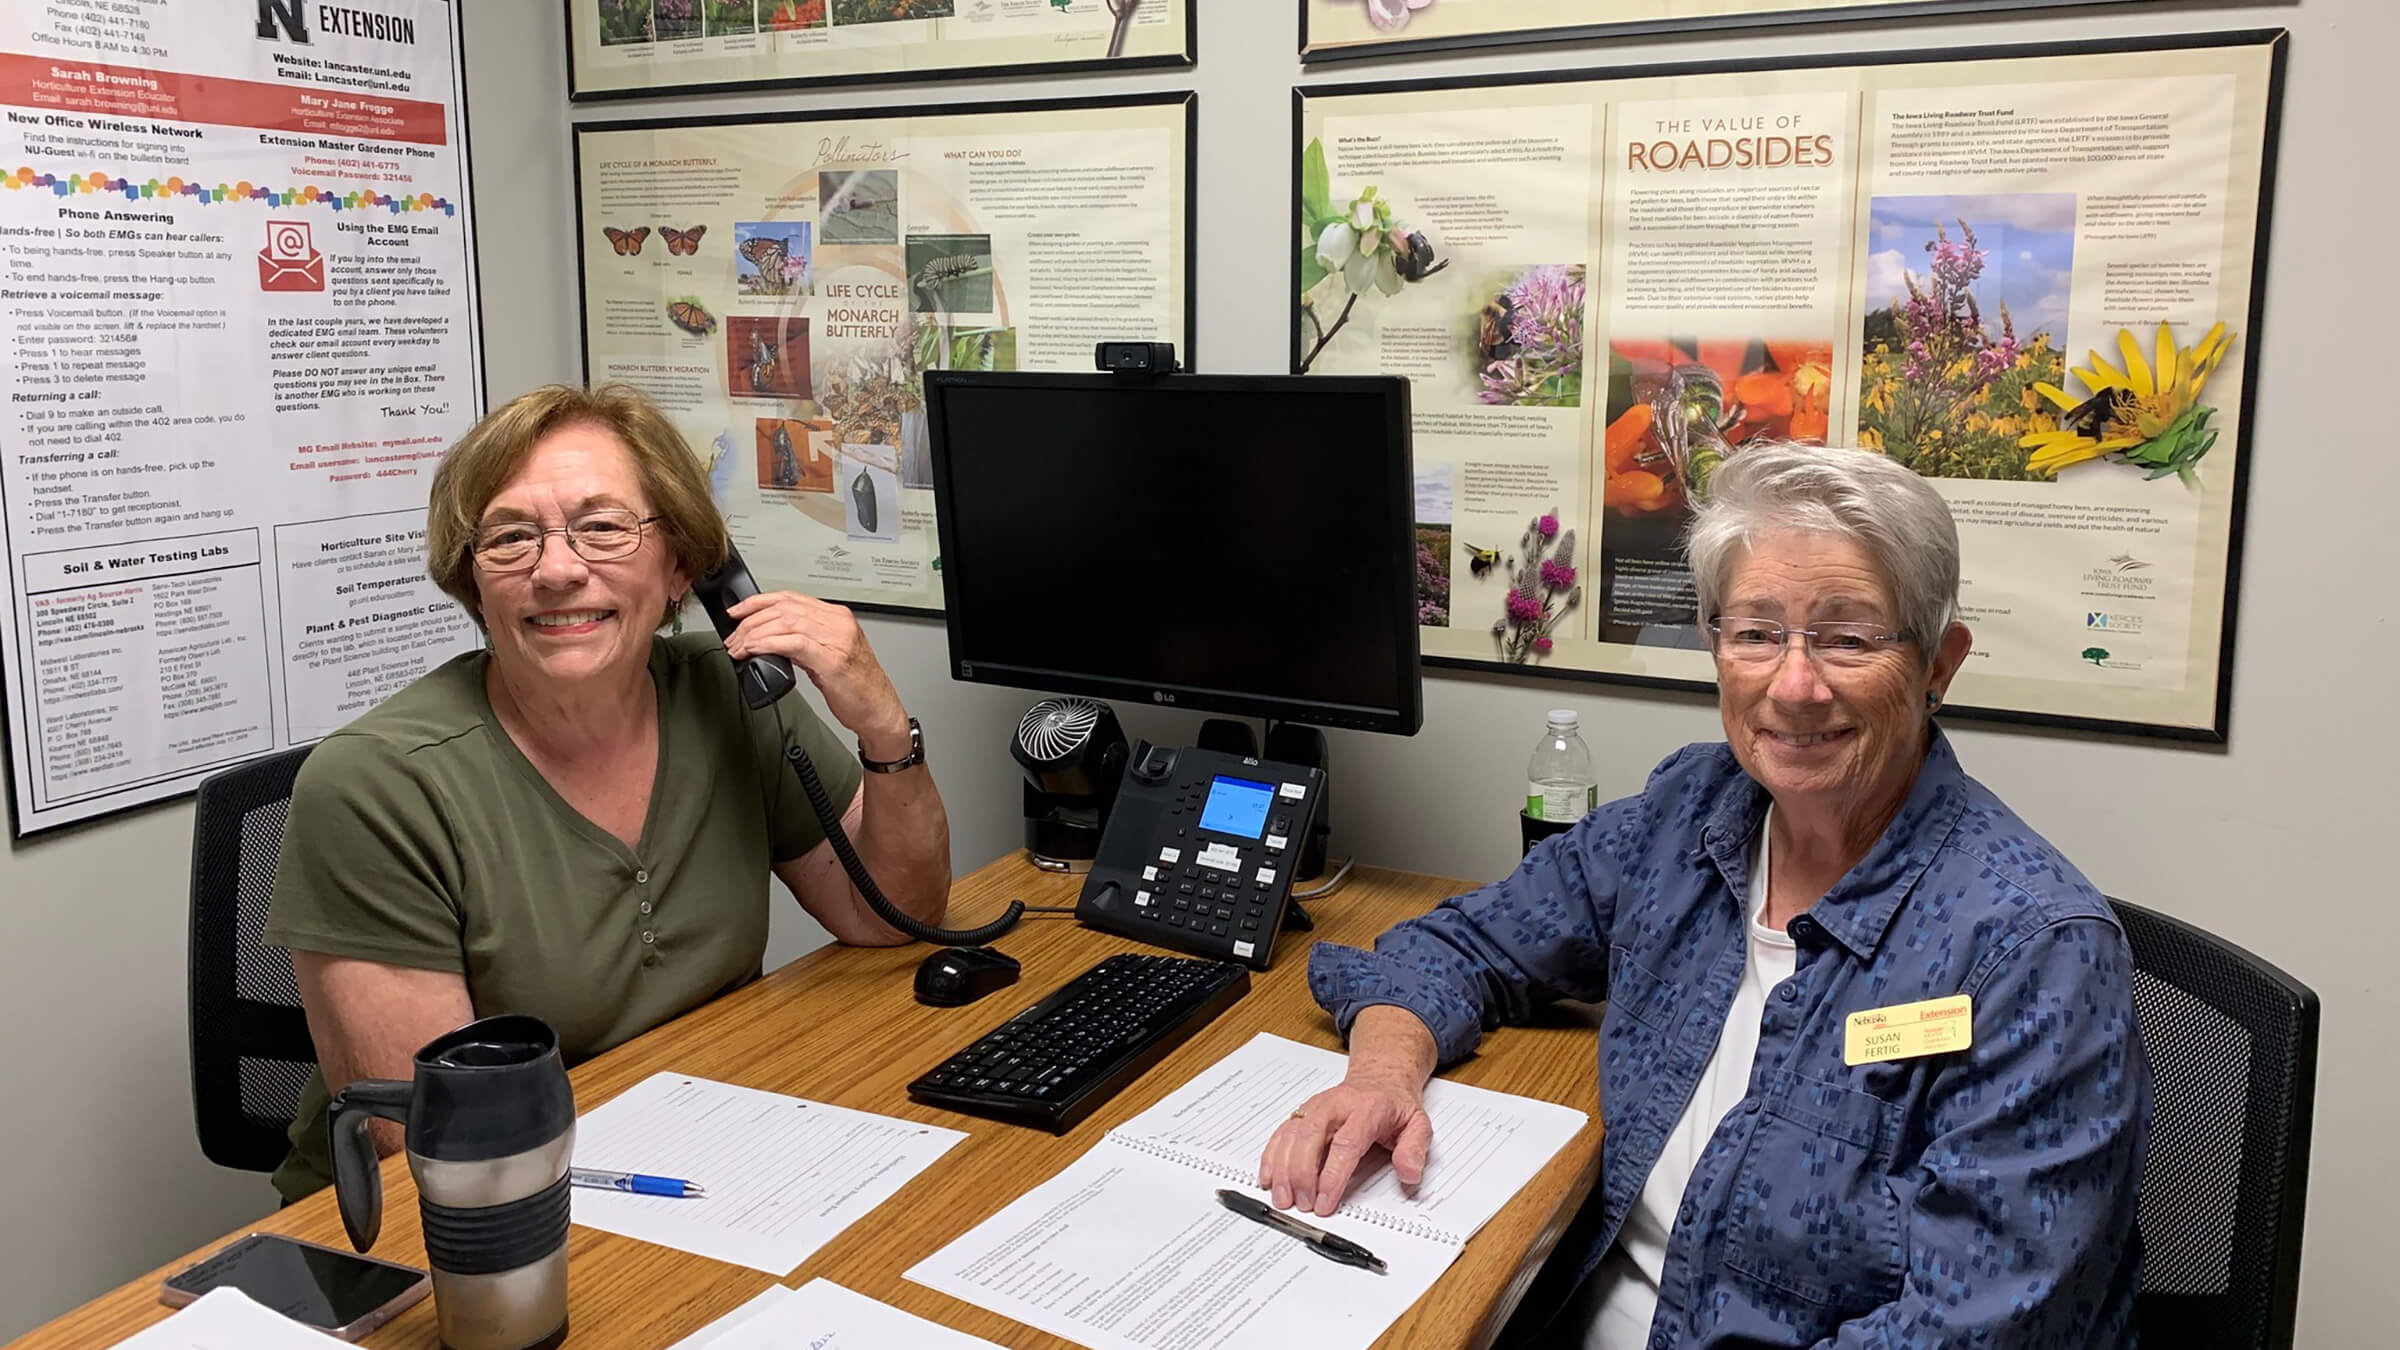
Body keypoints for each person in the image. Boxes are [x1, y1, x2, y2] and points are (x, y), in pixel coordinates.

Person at [1260, 443, 2150, 1348]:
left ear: (1938, 665)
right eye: (1756, 632)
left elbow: (1976, 1333)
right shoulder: (1690, 815)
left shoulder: (2035, 952)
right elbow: (1459, 946)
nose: (1794, 687)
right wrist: (1382, 1076)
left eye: (1848, 636)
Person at [262, 384, 951, 1201]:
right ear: (473, 582)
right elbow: (441, 1145)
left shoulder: (726, 693)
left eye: (603, 527)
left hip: (710, 1140)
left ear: (684, 566)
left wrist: (881, 724)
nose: (557, 569)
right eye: (511, 538)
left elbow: (890, 915)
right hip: (452, 1221)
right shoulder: (374, 787)